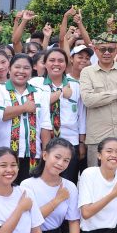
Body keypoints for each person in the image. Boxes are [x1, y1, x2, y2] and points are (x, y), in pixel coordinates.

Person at [20, 139, 101, 233]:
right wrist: (57, 200)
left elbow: (74, 220)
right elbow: (31, 220)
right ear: (45, 155)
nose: (60, 163)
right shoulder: (27, 185)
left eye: (66, 160)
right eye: (57, 157)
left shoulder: (69, 186)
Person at [80, 33, 117, 168]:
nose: (106, 53)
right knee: (97, 178)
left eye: (110, 49)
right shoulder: (87, 72)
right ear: (95, 50)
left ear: (116, 51)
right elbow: (88, 100)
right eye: (102, 49)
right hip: (98, 136)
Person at [0, 54, 50, 184]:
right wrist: (24, 108)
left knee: (29, 192)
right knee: (5, 191)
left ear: (31, 71)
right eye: (17, 67)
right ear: (9, 69)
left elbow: (45, 125)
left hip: (32, 154)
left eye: (26, 68)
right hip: (4, 154)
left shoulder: (40, 93)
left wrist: (45, 151)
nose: (21, 71)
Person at [34, 48, 85, 182]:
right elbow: (37, 106)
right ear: (45, 63)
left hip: (70, 140)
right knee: (44, 181)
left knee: (68, 181)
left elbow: (81, 115)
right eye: (52, 60)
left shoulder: (75, 85)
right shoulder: (35, 84)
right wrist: (61, 92)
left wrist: (81, 142)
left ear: (66, 64)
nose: (56, 64)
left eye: (61, 61)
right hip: (43, 141)